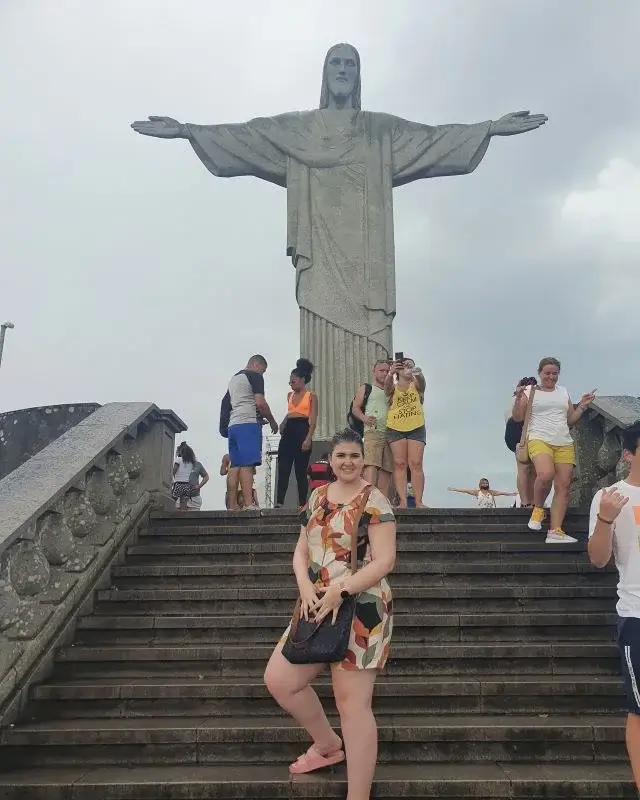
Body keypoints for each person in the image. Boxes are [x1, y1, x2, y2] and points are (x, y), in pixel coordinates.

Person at [263, 428, 396, 799]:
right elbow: (301, 551)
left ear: (363, 460)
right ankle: (327, 744)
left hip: (362, 608)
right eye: (341, 456)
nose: (348, 462)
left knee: (352, 705)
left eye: (354, 456)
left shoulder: (375, 499)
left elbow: (385, 560)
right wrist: (306, 587)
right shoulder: (318, 496)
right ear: (330, 460)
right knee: (280, 680)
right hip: (317, 603)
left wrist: (342, 589)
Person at [587, 420, 640, 791]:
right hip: (637, 614)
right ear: (628, 454)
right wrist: (606, 518)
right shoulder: (611, 496)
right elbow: (598, 558)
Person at [512, 357, 596, 542]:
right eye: (547, 373)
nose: (551, 377)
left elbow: (570, 419)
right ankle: (538, 509)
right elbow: (517, 417)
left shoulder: (563, 392)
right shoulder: (530, 391)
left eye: (555, 373)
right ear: (540, 373)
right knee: (545, 474)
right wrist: (518, 399)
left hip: (563, 441)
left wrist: (582, 405)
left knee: (564, 485)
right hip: (538, 437)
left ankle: (555, 531)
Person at [227, 354, 278, 511]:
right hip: (248, 424)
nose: (263, 374)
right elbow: (260, 403)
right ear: (256, 364)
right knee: (247, 465)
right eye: (263, 370)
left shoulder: (234, 379)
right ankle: (249, 504)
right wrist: (272, 420)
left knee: (235, 466)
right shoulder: (255, 376)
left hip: (233, 424)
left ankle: (232, 505)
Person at [384, 357, 427, 508]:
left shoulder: (416, 384)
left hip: (416, 427)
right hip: (395, 427)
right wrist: (390, 373)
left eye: (410, 366)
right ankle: (402, 501)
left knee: (416, 463)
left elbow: (422, 383)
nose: (408, 368)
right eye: (404, 366)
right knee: (400, 463)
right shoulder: (394, 386)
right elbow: (386, 389)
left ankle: (418, 501)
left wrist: (416, 371)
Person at [275, 359, 318, 508]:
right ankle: (279, 502)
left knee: (300, 470)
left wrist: (308, 438)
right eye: (290, 382)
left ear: (302, 380)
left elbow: (313, 419)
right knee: (284, 467)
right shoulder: (289, 395)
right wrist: (283, 422)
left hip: (302, 430)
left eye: (293, 381)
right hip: (289, 431)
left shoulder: (311, 396)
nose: (290, 384)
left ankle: (302, 503)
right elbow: (291, 412)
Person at [350, 359, 394, 496]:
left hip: (391, 433)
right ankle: (368, 499)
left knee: (387, 468)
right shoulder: (366, 388)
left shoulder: (392, 391)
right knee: (371, 464)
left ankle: (382, 500)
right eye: (381, 370)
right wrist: (364, 418)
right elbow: (355, 408)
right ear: (374, 372)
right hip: (373, 431)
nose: (384, 373)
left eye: (387, 371)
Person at [505, 377, 537, 507]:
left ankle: (527, 500)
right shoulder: (522, 396)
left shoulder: (515, 398)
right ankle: (526, 501)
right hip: (520, 429)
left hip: (515, 430)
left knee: (526, 468)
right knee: (526, 467)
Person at [172, 442, 209, 511]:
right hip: (180, 497)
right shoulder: (179, 462)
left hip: (194, 498)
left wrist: (199, 486)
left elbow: (206, 476)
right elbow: (172, 472)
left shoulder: (197, 464)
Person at [447, 479, 517, 509]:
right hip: (481, 510)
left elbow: (502, 493)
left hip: (491, 510)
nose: (485, 484)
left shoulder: (491, 492)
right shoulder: (477, 492)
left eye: (486, 483)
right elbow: (465, 491)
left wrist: (512, 494)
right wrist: (454, 489)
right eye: (483, 483)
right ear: (480, 484)